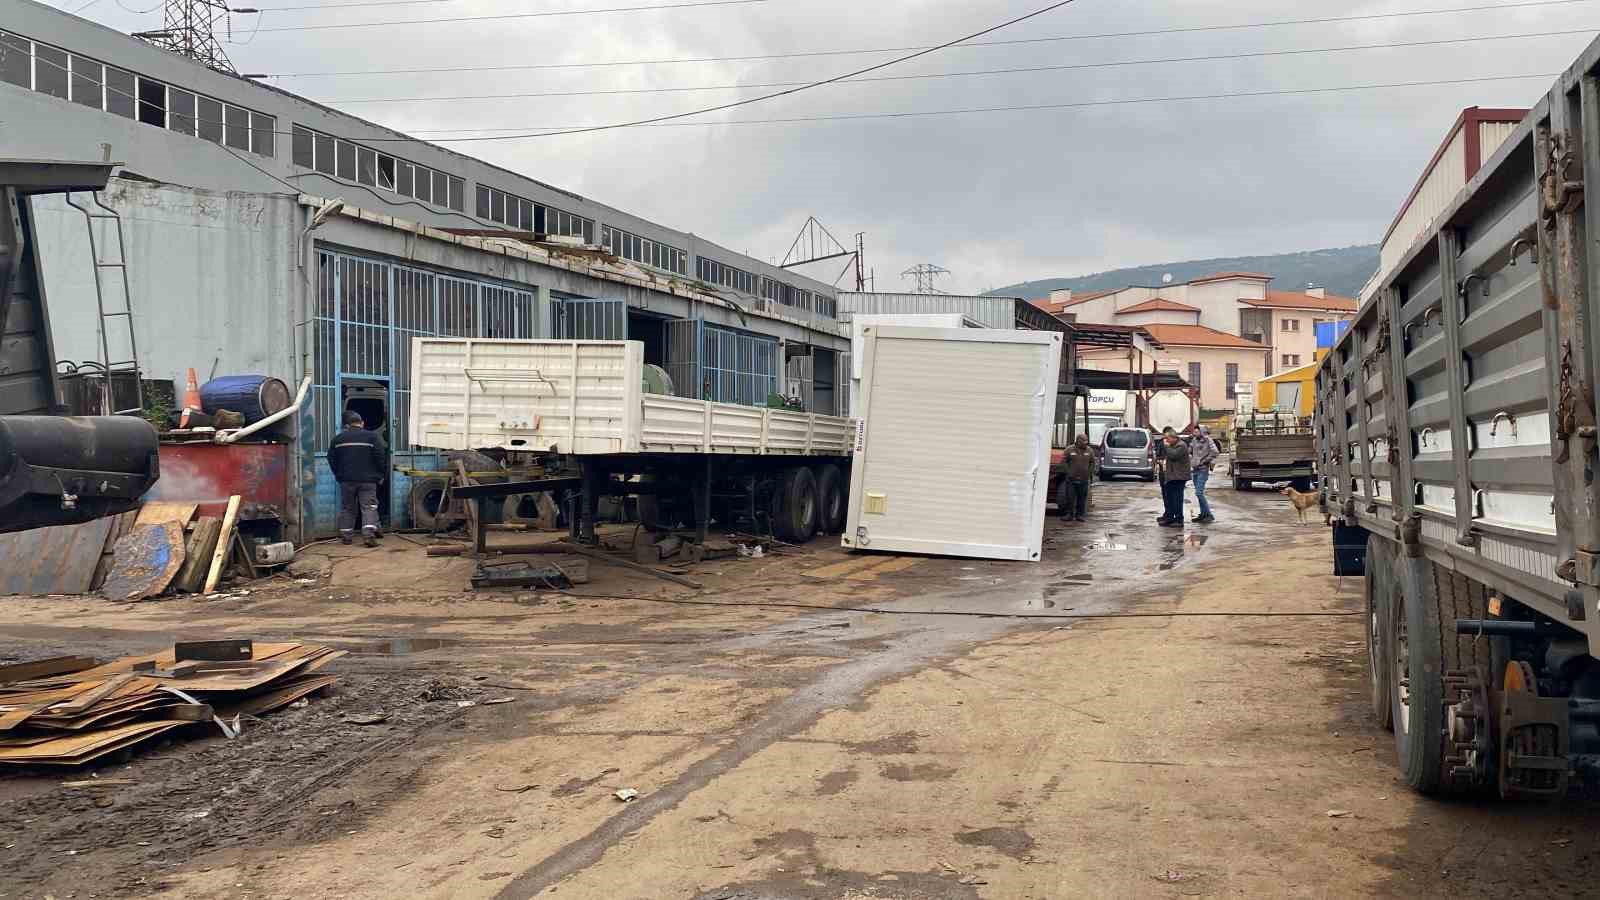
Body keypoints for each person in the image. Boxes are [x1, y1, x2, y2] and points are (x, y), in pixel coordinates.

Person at [328, 409, 386, 546]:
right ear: (362, 423)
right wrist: (380, 475)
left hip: (346, 480)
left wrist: (338, 474)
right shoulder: (372, 437)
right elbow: (380, 458)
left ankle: (346, 536)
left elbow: (331, 458)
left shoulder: (338, 439)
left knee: (348, 508)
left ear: (346, 426)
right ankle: (368, 536)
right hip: (368, 481)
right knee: (369, 507)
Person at [1155, 426, 1191, 527]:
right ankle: (1170, 517)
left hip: (1179, 476)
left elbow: (1173, 455)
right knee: (1169, 497)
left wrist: (1166, 447)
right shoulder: (1172, 445)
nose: (1166, 441)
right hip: (1171, 476)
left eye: (1167, 439)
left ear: (1173, 437)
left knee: (1177, 498)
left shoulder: (1181, 445)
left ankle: (1179, 519)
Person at [1059, 433, 1096, 522]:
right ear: (1078, 441)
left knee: (1082, 498)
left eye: (1086, 440)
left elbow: (1092, 463)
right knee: (1070, 498)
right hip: (1071, 480)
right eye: (1084, 441)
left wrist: (1089, 473)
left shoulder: (1090, 451)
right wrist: (1068, 472)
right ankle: (1069, 514)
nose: (1086, 443)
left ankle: (1080, 515)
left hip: (1084, 479)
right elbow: (1063, 462)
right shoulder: (1069, 449)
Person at [1189, 424, 1220, 524]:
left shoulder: (1208, 440)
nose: (1195, 433)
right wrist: (1190, 459)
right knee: (1199, 494)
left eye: (1197, 431)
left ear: (1201, 431)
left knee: (1199, 492)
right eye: (1194, 431)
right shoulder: (1194, 440)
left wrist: (1207, 460)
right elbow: (1189, 451)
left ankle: (1209, 514)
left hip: (1203, 469)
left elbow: (1215, 452)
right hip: (1195, 469)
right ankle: (1203, 514)